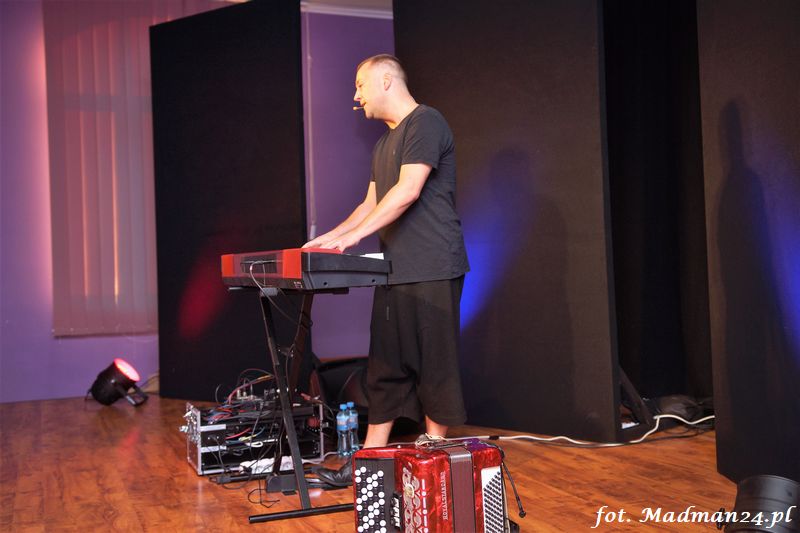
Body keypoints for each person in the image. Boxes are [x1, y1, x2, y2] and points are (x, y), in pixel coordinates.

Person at [305, 54, 469, 486]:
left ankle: (432, 463)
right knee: (384, 366)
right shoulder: (383, 144)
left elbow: (408, 190)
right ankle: (368, 464)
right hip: (394, 272)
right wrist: (330, 238)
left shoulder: (426, 122)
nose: (356, 96)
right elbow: (371, 203)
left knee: (435, 366)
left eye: (360, 85)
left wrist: (354, 238)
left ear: (385, 81)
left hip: (433, 267)